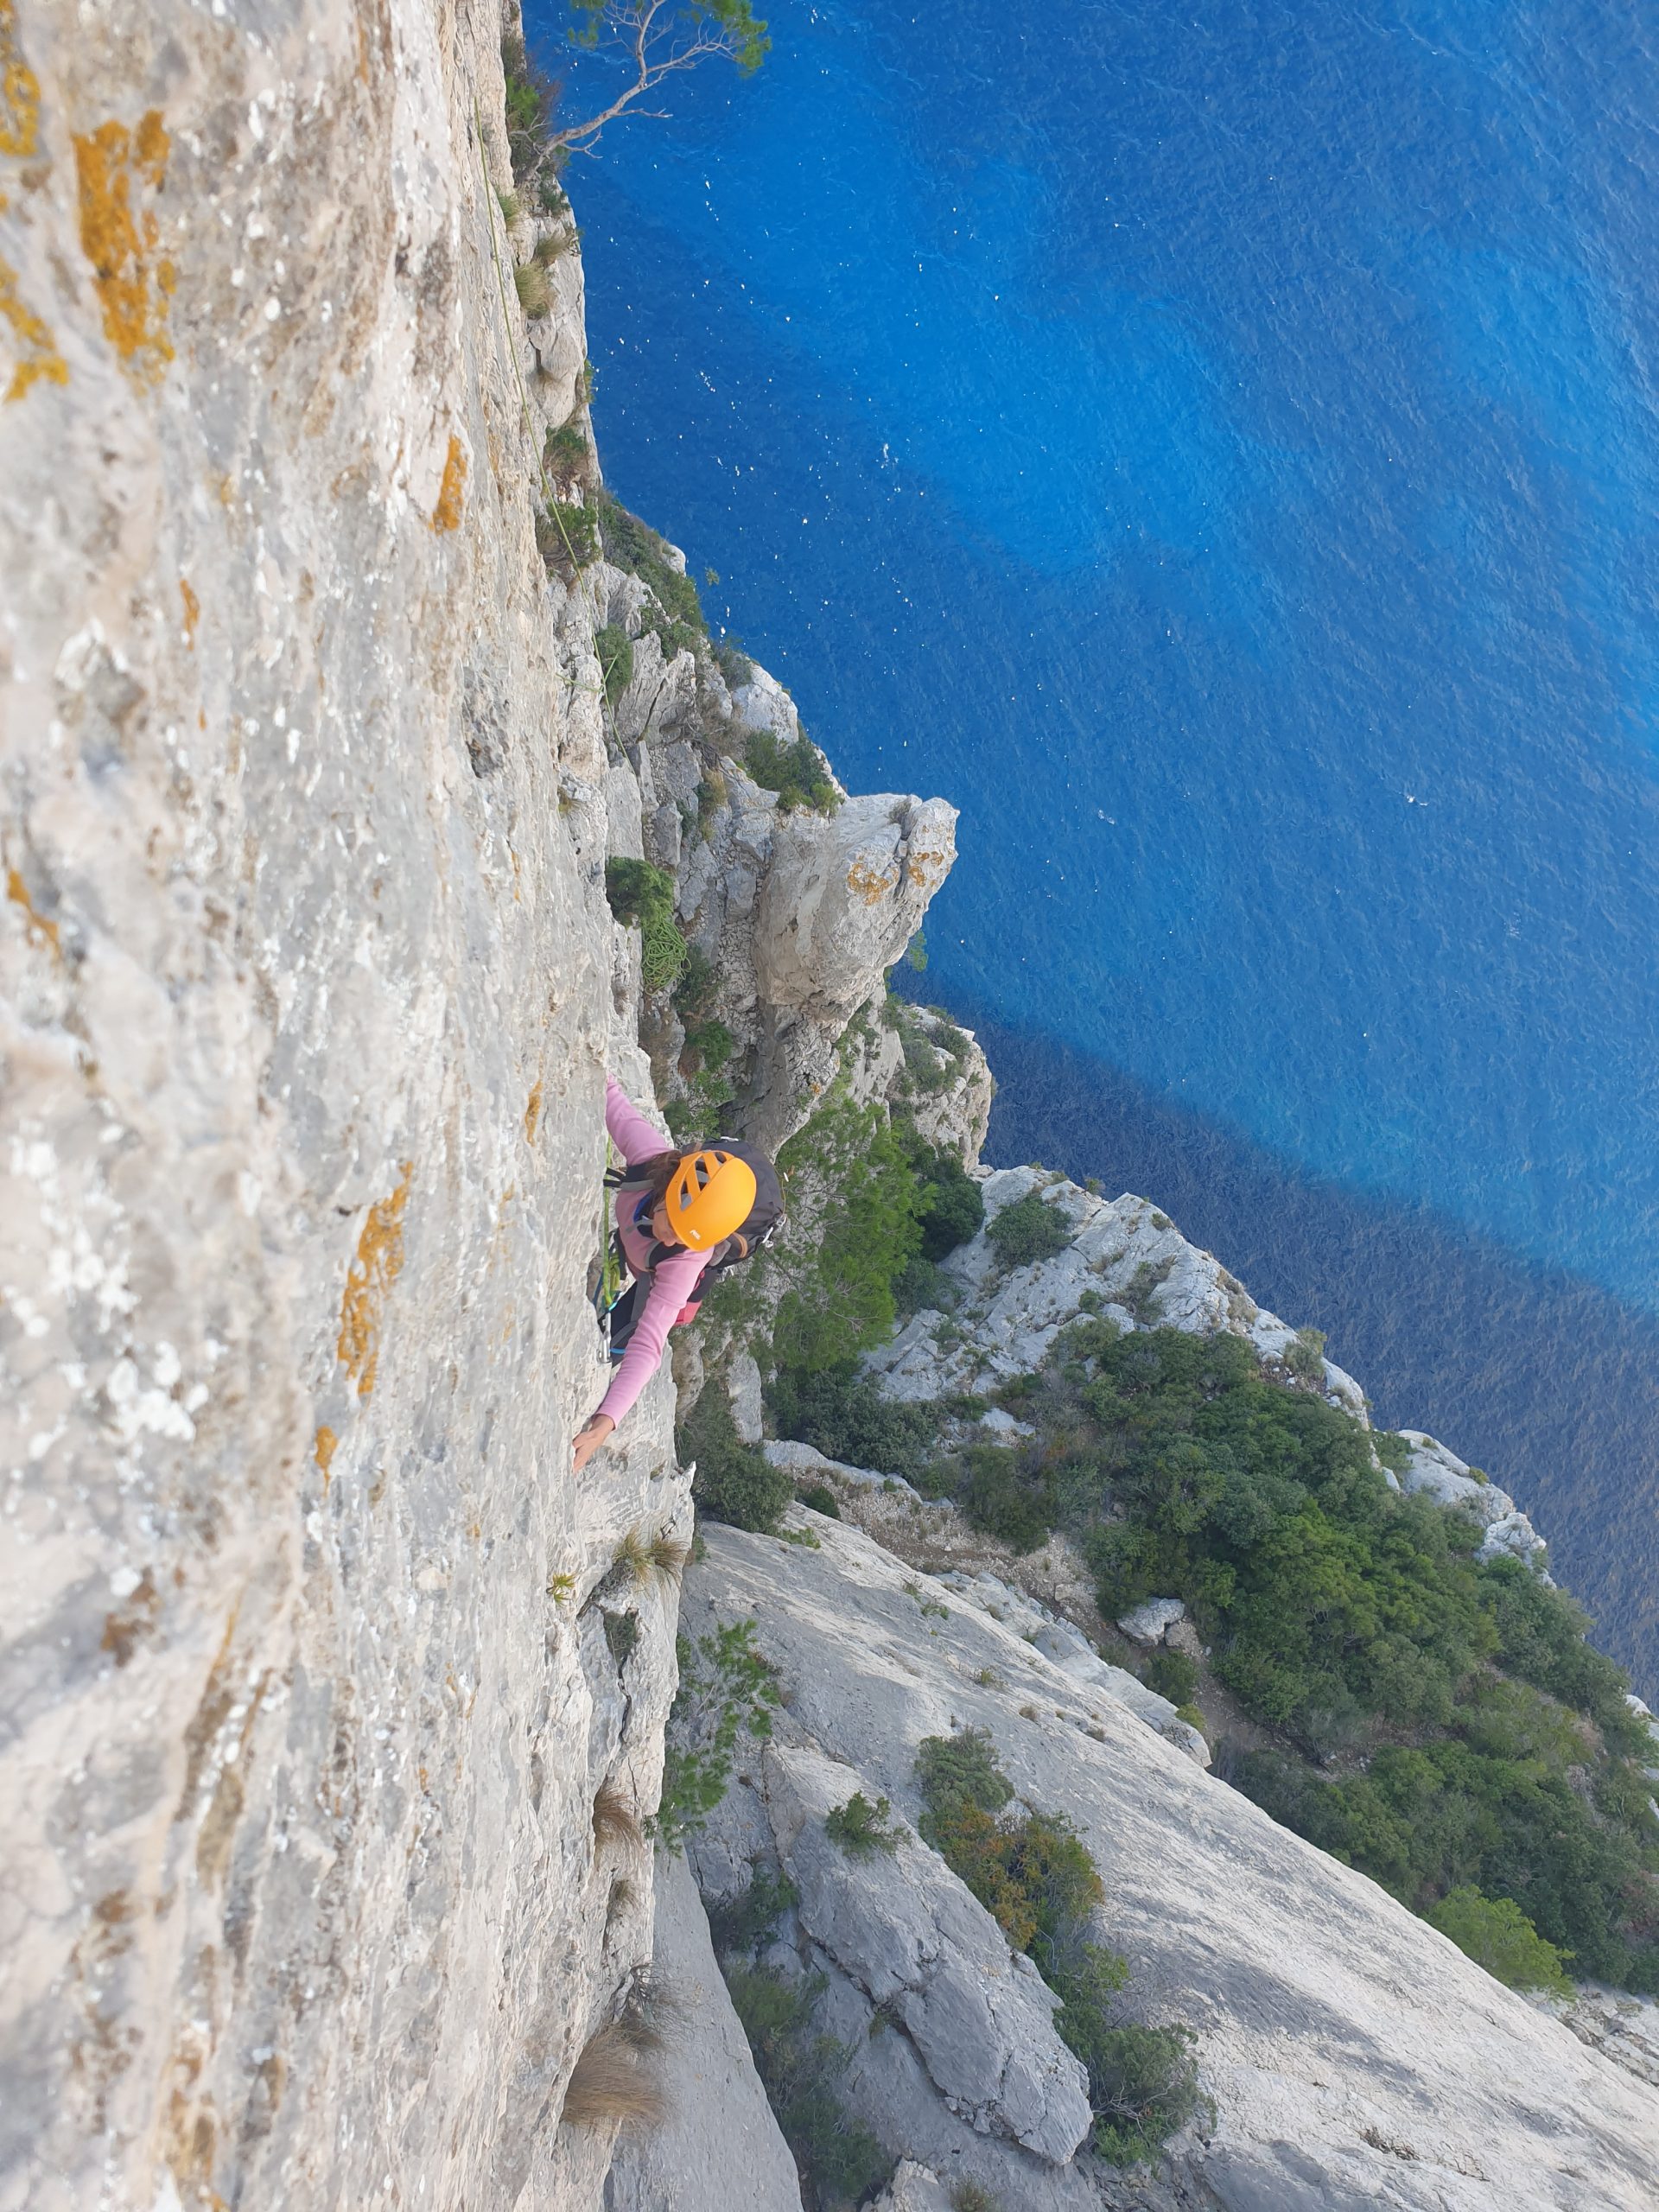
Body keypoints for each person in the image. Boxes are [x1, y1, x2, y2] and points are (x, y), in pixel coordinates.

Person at [572, 1077, 779, 1471]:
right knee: (642, 1263)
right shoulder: (651, 1161)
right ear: (669, 1185)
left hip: (669, 1281)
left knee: (632, 1331)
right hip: (642, 1252)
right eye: (672, 1221)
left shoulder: (687, 1258)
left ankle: (607, 1350)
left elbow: (650, 1345)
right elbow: (608, 1092)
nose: (671, 1235)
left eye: (686, 1236)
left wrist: (605, 1423)